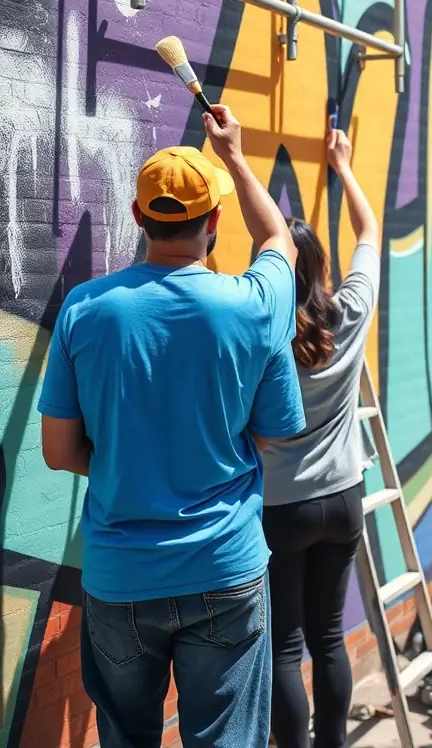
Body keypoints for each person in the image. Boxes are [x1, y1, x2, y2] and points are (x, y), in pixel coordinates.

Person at [38, 105, 305, 748]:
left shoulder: (84, 309)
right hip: (225, 568)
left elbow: (57, 452)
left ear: (138, 216)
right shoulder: (252, 303)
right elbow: (280, 240)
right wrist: (233, 154)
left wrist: (126, 460)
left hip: (120, 577)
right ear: (214, 221)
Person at [261, 125, 380, 748]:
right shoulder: (350, 311)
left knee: (284, 649)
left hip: (283, 507)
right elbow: (370, 232)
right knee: (329, 638)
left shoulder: (263, 333)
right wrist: (344, 167)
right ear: (320, 267)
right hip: (344, 499)